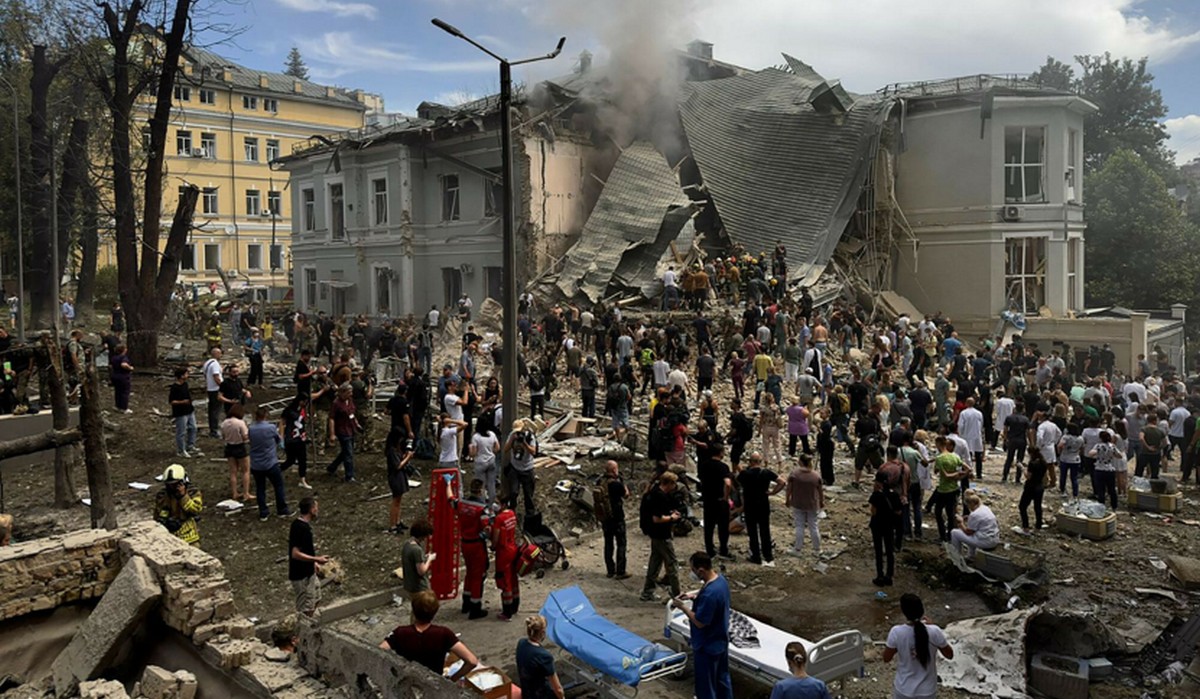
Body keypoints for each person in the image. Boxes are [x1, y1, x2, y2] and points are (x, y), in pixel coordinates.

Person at [672, 552, 732, 699]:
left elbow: (700, 622)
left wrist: (683, 607)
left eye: (693, 570)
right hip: (720, 641)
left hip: (707, 646)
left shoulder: (710, 594)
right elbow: (708, 597)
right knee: (722, 680)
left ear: (700, 570)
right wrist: (693, 597)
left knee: (706, 687)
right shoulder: (720, 582)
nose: (692, 573)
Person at [381, 591, 478, 680]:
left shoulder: (400, 632)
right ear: (435, 611)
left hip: (407, 683)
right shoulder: (444, 633)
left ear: (413, 610)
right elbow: (472, 661)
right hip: (433, 685)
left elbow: (379, 651)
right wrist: (452, 680)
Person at [883, 594, 953, 699]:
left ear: (904, 612)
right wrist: (932, 628)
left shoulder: (896, 632)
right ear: (922, 610)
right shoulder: (934, 631)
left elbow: (886, 658)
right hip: (927, 691)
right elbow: (949, 655)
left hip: (904, 689)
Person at [446, 477, 491, 619]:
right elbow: (487, 529)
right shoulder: (481, 509)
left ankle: (466, 603)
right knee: (478, 576)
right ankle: (475, 608)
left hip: (465, 543)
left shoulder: (461, 504)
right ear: (481, 491)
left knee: (469, 573)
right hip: (477, 545)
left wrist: (448, 483)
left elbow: (450, 498)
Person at [640, 471, 683, 602]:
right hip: (661, 534)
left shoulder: (653, 492)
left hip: (654, 533)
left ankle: (647, 591)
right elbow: (657, 519)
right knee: (672, 563)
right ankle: (677, 595)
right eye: (673, 483)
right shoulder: (659, 497)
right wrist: (672, 517)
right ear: (669, 483)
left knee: (655, 562)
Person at [738, 451, 785, 566]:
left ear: (750, 462)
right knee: (765, 530)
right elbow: (782, 482)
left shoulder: (745, 474)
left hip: (750, 505)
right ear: (760, 461)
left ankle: (756, 555)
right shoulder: (766, 472)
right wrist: (772, 492)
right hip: (763, 504)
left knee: (752, 531)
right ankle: (768, 555)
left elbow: (738, 484)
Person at [249, 405, 291, 521]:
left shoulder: (251, 429)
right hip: (270, 462)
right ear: (266, 415)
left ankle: (263, 512)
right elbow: (278, 440)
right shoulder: (271, 428)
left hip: (256, 464)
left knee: (260, 488)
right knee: (278, 485)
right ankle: (282, 509)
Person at [289, 496, 328, 617]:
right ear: (311, 509)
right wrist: (317, 559)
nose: (317, 510)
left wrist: (313, 563)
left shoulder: (302, 526)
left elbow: (305, 549)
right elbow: (295, 553)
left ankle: (310, 622)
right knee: (306, 608)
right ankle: (304, 626)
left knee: (316, 598)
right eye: (316, 507)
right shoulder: (301, 528)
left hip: (309, 572)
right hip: (302, 576)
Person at [698, 444, 734, 561]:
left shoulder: (704, 465)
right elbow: (727, 483)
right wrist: (725, 497)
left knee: (709, 526)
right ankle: (723, 549)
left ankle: (710, 550)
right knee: (723, 526)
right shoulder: (723, 467)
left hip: (708, 499)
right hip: (719, 500)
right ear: (720, 453)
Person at [516, 615, 565, 699]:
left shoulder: (521, 643)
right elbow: (558, 689)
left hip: (527, 693)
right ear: (543, 632)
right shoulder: (544, 656)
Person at [153, 464, 203, 546]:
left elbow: (195, 510)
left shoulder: (192, 492)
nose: (172, 487)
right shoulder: (163, 495)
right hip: (169, 536)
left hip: (188, 535)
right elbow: (158, 513)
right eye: (169, 484)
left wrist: (183, 496)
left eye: (175, 484)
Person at [786, 454, 824, 558]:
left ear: (801, 462)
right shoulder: (815, 475)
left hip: (798, 503)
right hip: (812, 504)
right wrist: (821, 501)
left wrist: (787, 499)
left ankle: (797, 549)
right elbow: (820, 491)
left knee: (799, 526)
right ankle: (817, 549)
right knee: (813, 526)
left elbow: (789, 489)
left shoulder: (794, 474)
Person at [931, 437, 968, 542]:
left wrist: (955, 474)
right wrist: (959, 476)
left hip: (943, 489)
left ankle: (943, 536)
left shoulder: (940, 458)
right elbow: (968, 469)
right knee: (950, 513)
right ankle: (950, 536)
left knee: (938, 512)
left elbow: (940, 473)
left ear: (939, 444)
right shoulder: (955, 456)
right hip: (954, 488)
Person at [600, 460, 631, 579]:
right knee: (621, 544)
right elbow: (626, 495)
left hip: (605, 518)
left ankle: (610, 570)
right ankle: (621, 571)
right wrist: (624, 485)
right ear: (614, 470)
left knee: (608, 544)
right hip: (617, 518)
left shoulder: (600, 481)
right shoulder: (616, 484)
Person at [869, 471, 900, 586]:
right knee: (889, 550)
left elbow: (873, 511)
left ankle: (880, 575)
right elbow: (898, 511)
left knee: (878, 550)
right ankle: (889, 575)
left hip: (877, 525)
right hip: (889, 525)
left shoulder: (876, 495)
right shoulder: (894, 494)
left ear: (878, 482)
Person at [492, 503, 521, 620]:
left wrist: (492, 546)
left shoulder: (499, 519)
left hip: (503, 552)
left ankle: (507, 611)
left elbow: (495, 538)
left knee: (505, 580)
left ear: (502, 504)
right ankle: (515, 605)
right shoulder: (512, 514)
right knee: (513, 578)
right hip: (513, 549)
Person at [950, 490, 1000, 558]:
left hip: (986, 542)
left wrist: (961, 522)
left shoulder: (974, 514)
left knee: (954, 533)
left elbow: (968, 532)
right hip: (994, 538)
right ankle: (971, 555)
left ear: (970, 504)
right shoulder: (985, 508)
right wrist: (969, 517)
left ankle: (956, 557)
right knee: (974, 533)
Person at [325, 385, 360, 482]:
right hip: (342, 430)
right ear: (343, 392)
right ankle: (349, 475)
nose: (351, 394)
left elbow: (352, 413)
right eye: (349, 392)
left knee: (346, 451)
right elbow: (331, 418)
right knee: (348, 453)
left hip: (351, 428)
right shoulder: (336, 404)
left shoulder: (350, 400)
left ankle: (332, 467)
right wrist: (332, 434)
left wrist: (356, 423)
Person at [221, 403, 252, 502]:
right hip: (240, 447)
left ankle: (234, 492)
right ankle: (246, 493)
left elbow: (223, 436)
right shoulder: (240, 423)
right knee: (245, 471)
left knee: (233, 472)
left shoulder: (224, 423)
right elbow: (245, 436)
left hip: (229, 447)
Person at [280, 396, 311, 490]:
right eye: (304, 402)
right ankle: (276, 471)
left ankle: (302, 480)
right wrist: (281, 437)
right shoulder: (289, 411)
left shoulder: (303, 410)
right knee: (290, 460)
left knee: (302, 460)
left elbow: (305, 421)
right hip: (291, 439)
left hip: (301, 438)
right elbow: (282, 423)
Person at [169, 366, 201, 458]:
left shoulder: (185, 385)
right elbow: (172, 401)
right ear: (181, 376)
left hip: (189, 410)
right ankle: (181, 450)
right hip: (180, 412)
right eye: (186, 374)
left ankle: (190, 445)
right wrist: (182, 402)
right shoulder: (175, 387)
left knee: (193, 428)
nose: (188, 375)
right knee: (181, 431)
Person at [469, 417, 501, 506]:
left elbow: (473, 453)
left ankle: (482, 503)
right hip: (491, 461)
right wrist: (491, 452)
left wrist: (470, 449)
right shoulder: (492, 434)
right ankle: (491, 502)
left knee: (480, 485)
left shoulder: (476, 437)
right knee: (491, 483)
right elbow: (497, 448)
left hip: (480, 462)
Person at [401, 519, 436, 597]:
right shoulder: (417, 550)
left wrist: (424, 557)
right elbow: (421, 571)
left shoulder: (407, 544)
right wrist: (430, 559)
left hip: (409, 585)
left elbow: (412, 560)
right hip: (419, 588)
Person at [1018, 451, 1049, 533]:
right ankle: (1038, 526)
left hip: (1031, 487)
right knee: (1037, 507)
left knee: (1022, 506)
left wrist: (1022, 468)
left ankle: (1025, 527)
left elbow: (1028, 476)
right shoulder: (1043, 463)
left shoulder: (1032, 464)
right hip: (1040, 487)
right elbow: (1046, 477)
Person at [110, 344, 133, 413]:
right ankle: (124, 408)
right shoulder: (123, 357)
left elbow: (110, 366)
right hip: (123, 376)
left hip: (115, 376)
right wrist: (130, 368)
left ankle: (118, 406)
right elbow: (123, 364)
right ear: (123, 350)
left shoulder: (114, 357)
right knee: (124, 392)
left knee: (118, 392)